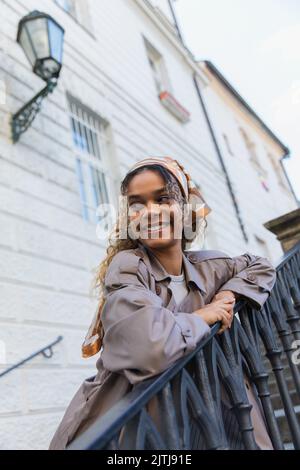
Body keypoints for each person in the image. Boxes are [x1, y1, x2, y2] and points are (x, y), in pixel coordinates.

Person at [48, 156, 276, 450]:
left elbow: (261, 265)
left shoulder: (212, 266)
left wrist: (228, 295)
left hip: (214, 410)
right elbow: (150, 347)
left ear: (185, 207)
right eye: (137, 204)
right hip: (136, 425)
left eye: (163, 198)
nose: (150, 212)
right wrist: (204, 316)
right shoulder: (128, 268)